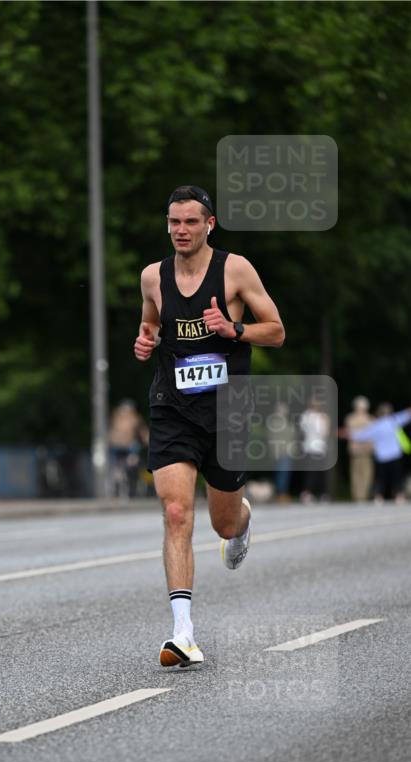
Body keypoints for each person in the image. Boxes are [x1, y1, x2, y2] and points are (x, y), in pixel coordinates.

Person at [134, 184, 284, 667]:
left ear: (209, 224)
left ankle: (241, 522)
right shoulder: (153, 276)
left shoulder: (235, 270)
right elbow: (151, 323)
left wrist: (234, 330)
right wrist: (146, 340)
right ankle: (183, 633)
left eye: (190, 222)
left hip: (228, 409)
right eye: (174, 221)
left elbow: (276, 331)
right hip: (173, 406)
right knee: (176, 513)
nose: (180, 230)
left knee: (221, 522)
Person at [342, 403, 411, 503]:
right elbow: (407, 414)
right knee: (397, 478)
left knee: (380, 478)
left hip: (381, 456)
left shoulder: (376, 425)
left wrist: (348, 434)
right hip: (395, 455)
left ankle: (378, 496)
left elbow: (362, 435)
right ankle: (399, 495)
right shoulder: (394, 420)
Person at [108, 399, 149, 498]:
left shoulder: (118, 417)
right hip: (125, 448)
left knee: (124, 466)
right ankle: (122, 480)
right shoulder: (133, 418)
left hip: (122, 448)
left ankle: (119, 479)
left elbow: (143, 433)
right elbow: (144, 434)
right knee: (130, 464)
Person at [298, 396, 331, 503]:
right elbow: (325, 432)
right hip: (315, 447)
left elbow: (303, 429)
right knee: (314, 472)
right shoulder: (318, 417)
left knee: (315, 472)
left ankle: (318, 493)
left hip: (312, 447)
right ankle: (309, 493)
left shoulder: (305, 416)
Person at [344, 396, 374, 501]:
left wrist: (369, 446)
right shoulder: (350, 418)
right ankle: (357, 496)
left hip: (366, 449)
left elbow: (372, 435)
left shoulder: (370, 419)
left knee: (367, 473)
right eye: (358, 407)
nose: (360, 409)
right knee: (355, 473)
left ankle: (364, 495)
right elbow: (350, 434)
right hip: (355, 449)